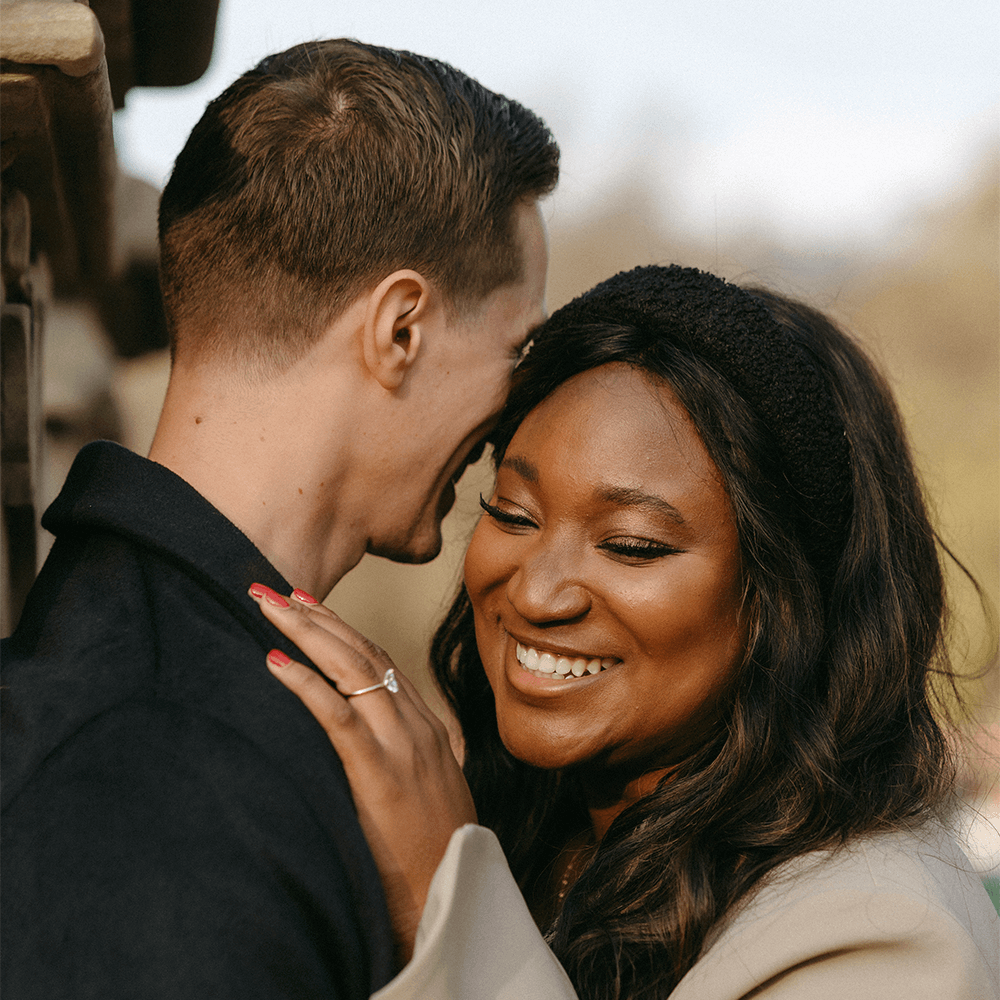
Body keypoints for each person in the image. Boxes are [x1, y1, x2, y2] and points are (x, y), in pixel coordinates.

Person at [253, 264, 999, 999]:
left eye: (633, 545)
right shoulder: (539, 830)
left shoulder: (882, 938)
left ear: (787, 593)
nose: (538, 593)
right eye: (512, 513)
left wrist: (448, 907)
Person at [1, 38, 557, 999]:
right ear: (400, 330)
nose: (516, 411)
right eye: (517, 347)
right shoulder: (161, 777)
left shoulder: (179, 679)